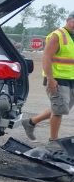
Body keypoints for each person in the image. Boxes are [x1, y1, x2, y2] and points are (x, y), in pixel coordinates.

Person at [22, 12, 74, 146]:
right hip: (57, 78)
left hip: (71, 78)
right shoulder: (57, 35)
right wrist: (50, 79)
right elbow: (46, 57)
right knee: (59, 110)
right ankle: (53, 142)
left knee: (61, 108)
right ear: (68, 20)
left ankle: (30, 122)